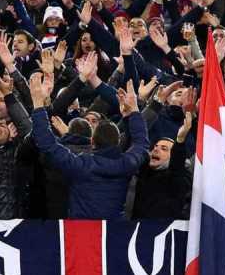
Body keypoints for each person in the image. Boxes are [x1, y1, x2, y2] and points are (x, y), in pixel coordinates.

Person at [30, 73, 150, 220]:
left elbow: (47, 143)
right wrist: (133, 112)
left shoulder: (81, 165)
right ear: (118, 141)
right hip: (114, 230)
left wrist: (38, 105)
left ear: (92, 141)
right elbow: (142, 144)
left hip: (80, 230)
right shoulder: (127, 164)